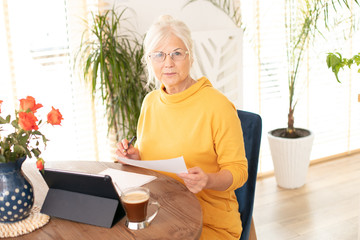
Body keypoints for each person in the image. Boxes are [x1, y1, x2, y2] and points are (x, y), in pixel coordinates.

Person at [116, 15, 248, 240]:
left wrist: (208, 179)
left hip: (208, 221)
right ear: (150, 60)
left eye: (176, 53)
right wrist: (134, 156)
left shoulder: (218, 106)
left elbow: (239, 171)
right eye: (158, 55)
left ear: (190, 56)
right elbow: (149, 152)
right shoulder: (150, 102)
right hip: (161, 213)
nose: (168, 63)